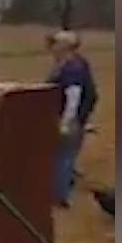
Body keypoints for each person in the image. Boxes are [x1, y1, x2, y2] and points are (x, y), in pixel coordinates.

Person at [46, 30, 99, 208]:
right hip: (73, 119)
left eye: (55, 44)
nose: (52, 47)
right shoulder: (75, 64)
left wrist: (66, 121)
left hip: (68, 120)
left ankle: (59, 196)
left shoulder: (72, 68)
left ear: (64, 47)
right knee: (64, 156)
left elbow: (73, 96)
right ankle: (59, 191)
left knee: (63, 157)